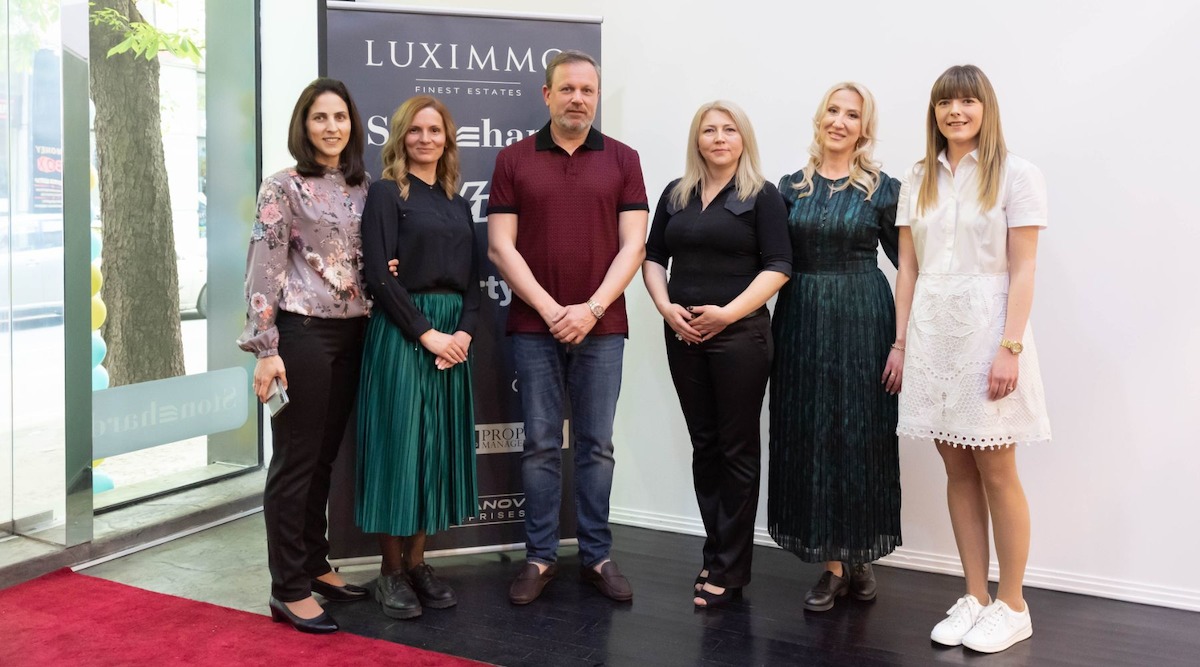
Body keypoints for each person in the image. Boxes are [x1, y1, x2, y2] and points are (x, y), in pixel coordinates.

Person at [894, 64, 1050, 654]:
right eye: (944, 103)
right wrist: (902, 343)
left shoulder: (1017, 174)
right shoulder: (917, 177)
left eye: (966, 101)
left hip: (990, 333)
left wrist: (1010, 346)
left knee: (997, 468)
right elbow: (907, 268)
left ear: (986, 107)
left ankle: (1013, 603)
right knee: (956, 467)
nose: (955, 112)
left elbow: (1024, 268)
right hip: (932, 333)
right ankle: (975, 597)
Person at [486, 50, 648, 605]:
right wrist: (553, 310)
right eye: (568, 89)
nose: (578, 98)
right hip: (535, 328)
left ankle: (597, 555)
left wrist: (591, 310)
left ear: (597, 97)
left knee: (597, 446)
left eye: (588, 90)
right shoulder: (513, 159)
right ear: (547, 94)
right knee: (539, 445)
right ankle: (539, 557)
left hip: (603, 328)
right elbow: (500, 246)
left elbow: (634, 246)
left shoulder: (624, 159)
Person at [642, 101, 790, 609]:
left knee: (736, 449)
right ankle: (717, 552)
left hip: (740, 337)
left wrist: (726, 315)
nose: (719, 137)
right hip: (683, 335)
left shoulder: (762, 196)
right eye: (709, 130)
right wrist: (665, 307)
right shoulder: (676, 194)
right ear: (697, 139)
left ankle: (731, 568)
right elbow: (653, 257)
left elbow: (779, 266)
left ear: (743, 138)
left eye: (729, 129)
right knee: (704, 446)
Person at [237, 78, 371, 634]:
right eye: (320, 117)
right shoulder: (282, 187)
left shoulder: (364, 186)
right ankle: (288, 588)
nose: (331, 127)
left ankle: (315, 563)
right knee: (295, 460)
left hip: (355, 334)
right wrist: (265, 348)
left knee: (323, 459)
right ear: (304, 125)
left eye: (340, 117)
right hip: (302, 336)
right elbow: (263, 268)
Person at [768, 82, 902, 612]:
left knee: (860, 432)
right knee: (811, 431)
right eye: (833, 110)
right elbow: (769, 258)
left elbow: (912, 266)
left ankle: (859, 553)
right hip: (801, 318)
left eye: (852, 115)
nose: (840, 121)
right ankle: (832, 565)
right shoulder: (789, 187)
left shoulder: (883, 189)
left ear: (864, 128)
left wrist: (904, 341)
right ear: (819, 118)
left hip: (864, 318)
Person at [355, 95, 480, 620]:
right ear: (401, 137)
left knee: (434, 451)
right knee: (398, 448)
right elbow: (378, 276)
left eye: (435, 130)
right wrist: (427, 333)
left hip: (452, 338)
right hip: (404, 333)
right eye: (415, 130)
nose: (425, 139)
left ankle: (419, 562)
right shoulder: (386, 193)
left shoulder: (458, 201)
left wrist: (464, 334)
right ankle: (390, 571)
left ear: (447, 139)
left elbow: (474, 281)